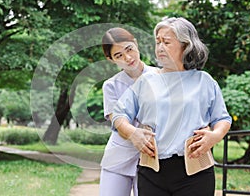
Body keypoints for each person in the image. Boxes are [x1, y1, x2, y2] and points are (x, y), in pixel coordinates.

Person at [112, 17, 232, 196]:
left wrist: (214, 136)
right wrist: (132, 133)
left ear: (186, 45)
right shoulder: (145, 82)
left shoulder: (204, 81)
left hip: (195, 171)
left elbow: (222, 118)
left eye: (166, 42)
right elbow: (119, 115)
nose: (160, 47)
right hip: (152, 172)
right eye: (157, 41)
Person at [99, 27, 156, 196]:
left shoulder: (162, 76)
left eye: (129, 49)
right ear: (111, 59)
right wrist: (134, 134)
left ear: (136, 44)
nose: (128, 58)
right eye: (119, 56)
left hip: (152, 158)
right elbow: (117, 121)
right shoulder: (111, 86)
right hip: (118, 157)